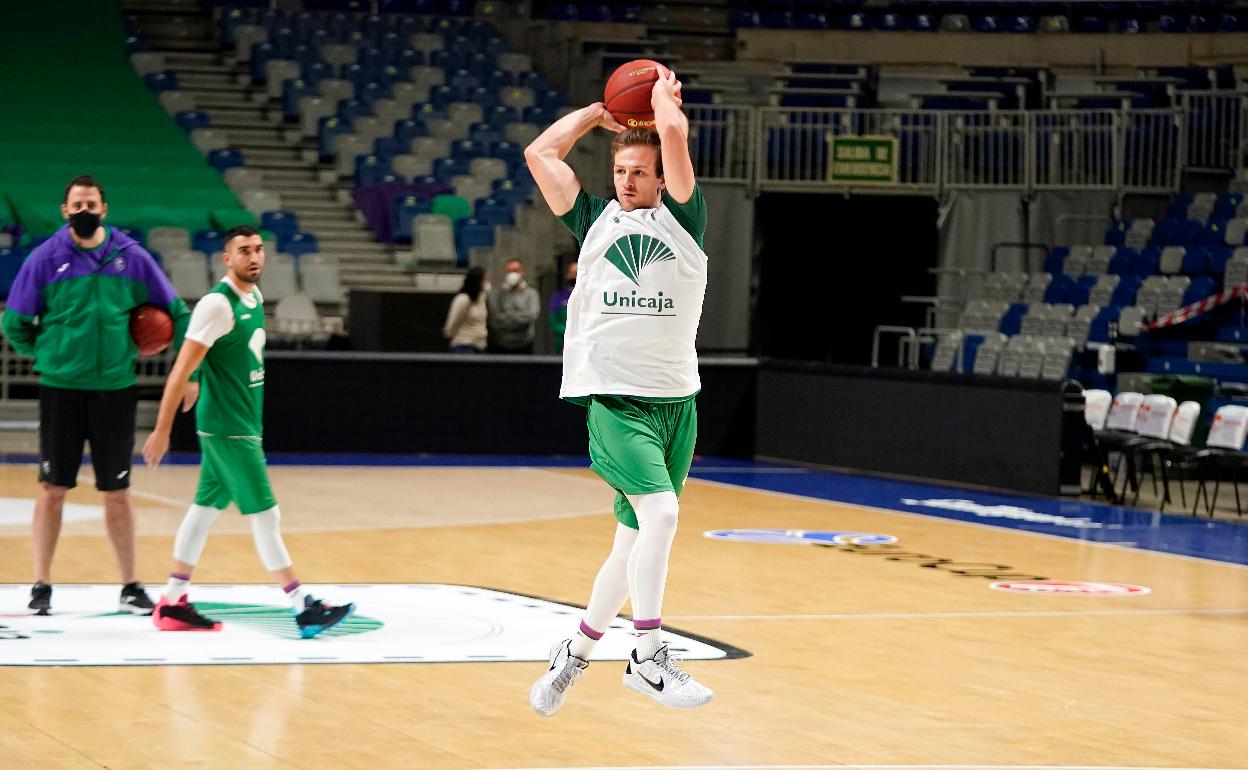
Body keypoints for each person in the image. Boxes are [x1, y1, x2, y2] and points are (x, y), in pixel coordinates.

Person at [524, 68, 713, 714]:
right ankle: (649, 655)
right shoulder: (593, 219)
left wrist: (664, 111)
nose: (627, 181)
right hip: (615, 401)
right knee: (662, 516)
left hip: (675, 405)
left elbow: (676, 134)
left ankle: (572, 658)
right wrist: (597, 114)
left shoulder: (686, 221)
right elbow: (539, 154)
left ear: (662, 180)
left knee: (631, 544)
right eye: (621, 171)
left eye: (639, 172)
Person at [141, 225, 354, 638]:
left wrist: (200, 378)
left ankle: (171, 601)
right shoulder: (216, 305)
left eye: (258, 249)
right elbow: (181, 366)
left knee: (202, 512)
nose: (253, 257)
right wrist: (162, 429)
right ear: (227, 258)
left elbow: (214, 356)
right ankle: (301, 606)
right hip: (229, 429)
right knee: (266, 516)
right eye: (244, 251)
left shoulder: (254, 297)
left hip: (239, 424)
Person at [1, 174, 192, 616]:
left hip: (114, 389)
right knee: (52, 488)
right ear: (64, 211)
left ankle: (130, 585)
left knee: (117, 492)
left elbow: (178, 314)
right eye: (76, 205)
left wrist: (190, 375)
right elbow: (14, 322)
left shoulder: (132, 258)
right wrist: (49, 353)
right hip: (61, 389)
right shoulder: (45, 259)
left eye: (91, 204)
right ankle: (42, 584)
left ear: (104, 209)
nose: (84, 211)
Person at [486, 258, 540, 353]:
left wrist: (508, 316)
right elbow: (494, 318)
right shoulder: (496, 293)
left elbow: (532, 316)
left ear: (522, 272)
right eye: (509, 271)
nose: (512, 274)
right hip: (499, 345)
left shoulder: (531, 293)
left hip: (525, 344)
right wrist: (518, 318)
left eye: (515, 271)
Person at [443, 266, 488, 353]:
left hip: (480, 346)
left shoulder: (482, 297)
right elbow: (451, 323)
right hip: (463, 346)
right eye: (484, 280)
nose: (486, 282)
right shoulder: (463, 299)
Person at [547, 260, 577, 354]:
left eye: (576, 273)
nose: (573, 276)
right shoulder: (558, 297)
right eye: (571, 273)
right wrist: (571, 333)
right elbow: (553, 322)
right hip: (563, 343)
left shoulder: (591, 295)